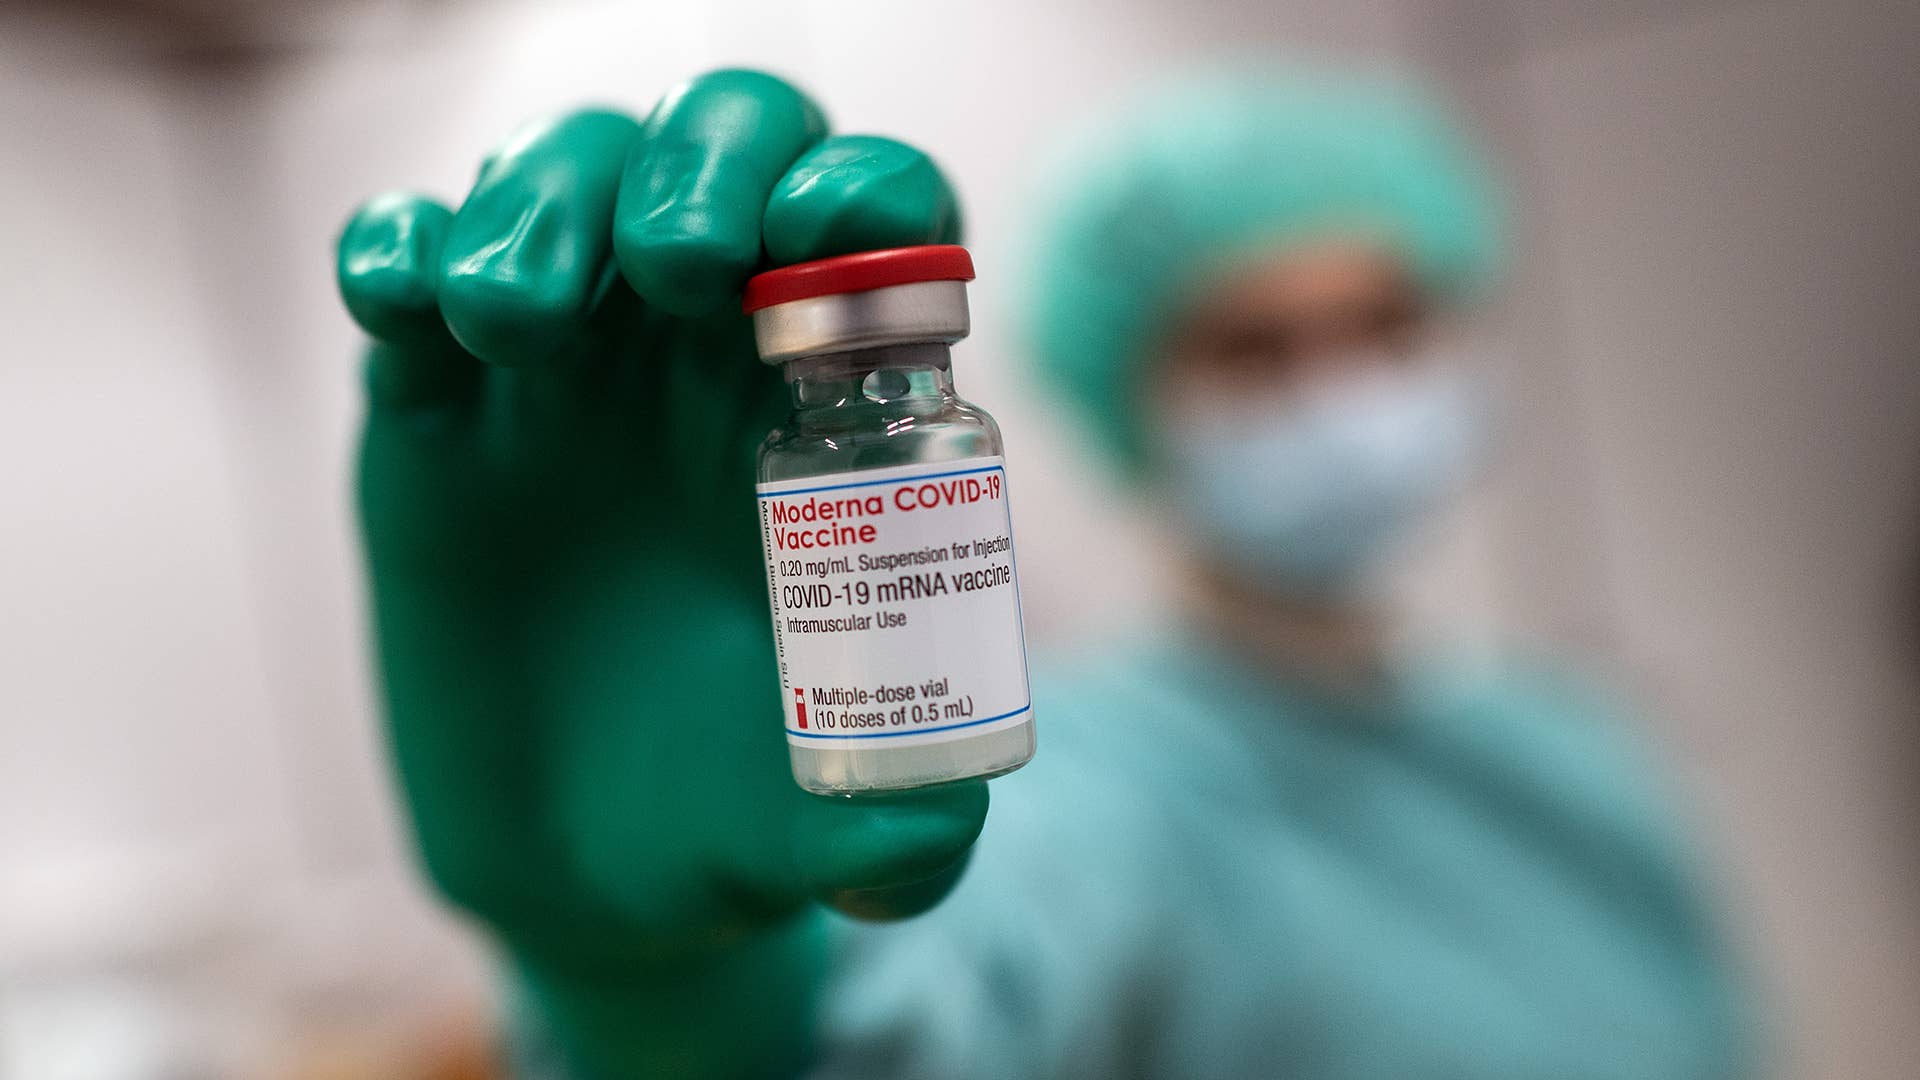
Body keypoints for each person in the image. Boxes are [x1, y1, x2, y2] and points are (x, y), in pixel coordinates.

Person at [334, 66, 1753, 1078]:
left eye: (1383, 326)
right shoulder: (1110, 788)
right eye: (1253, 350)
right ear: (1131, 392)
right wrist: (669, 997)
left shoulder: (1568, 744)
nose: (1345, 397)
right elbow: (946, 1011)